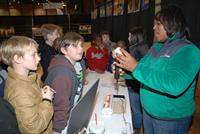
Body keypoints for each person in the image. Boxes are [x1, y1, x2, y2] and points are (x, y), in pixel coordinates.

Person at [114, 5, 200, 134]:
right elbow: (142, 71)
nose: (154, 28)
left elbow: (174, 85)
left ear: (173, 24)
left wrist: (135, 67)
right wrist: (125, 71)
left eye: (158, 24)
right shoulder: (156, 47)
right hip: (148, 113)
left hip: (171, 120)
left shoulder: (189, 50)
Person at [0, 36, 55, 133]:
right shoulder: (19, 92)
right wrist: (47, 100)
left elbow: (34, 100)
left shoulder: (30, 77)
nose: (39, 58)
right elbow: (33, 128)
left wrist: (43, 92)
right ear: (17, 58)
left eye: (37, 53)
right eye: (33, 55)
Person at [44, 32, 85, 134]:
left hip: (72, 110)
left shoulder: (79, 62)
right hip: (61, 121)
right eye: (75, 46)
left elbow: (78, 80)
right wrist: (57, 130)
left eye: (81, 45)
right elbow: (60, 105)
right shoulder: (62, 74)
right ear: (63, 50)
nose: (80, 49)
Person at [126, 27, 149, 133]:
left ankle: (135, 129)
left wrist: (124, 76)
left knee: (136, 110)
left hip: (135, 86)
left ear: (135, 36)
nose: (128, 37)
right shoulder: (145, 47)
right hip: (142, 86)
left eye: (130, 35)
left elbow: (134, 70)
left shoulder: (136, 48)